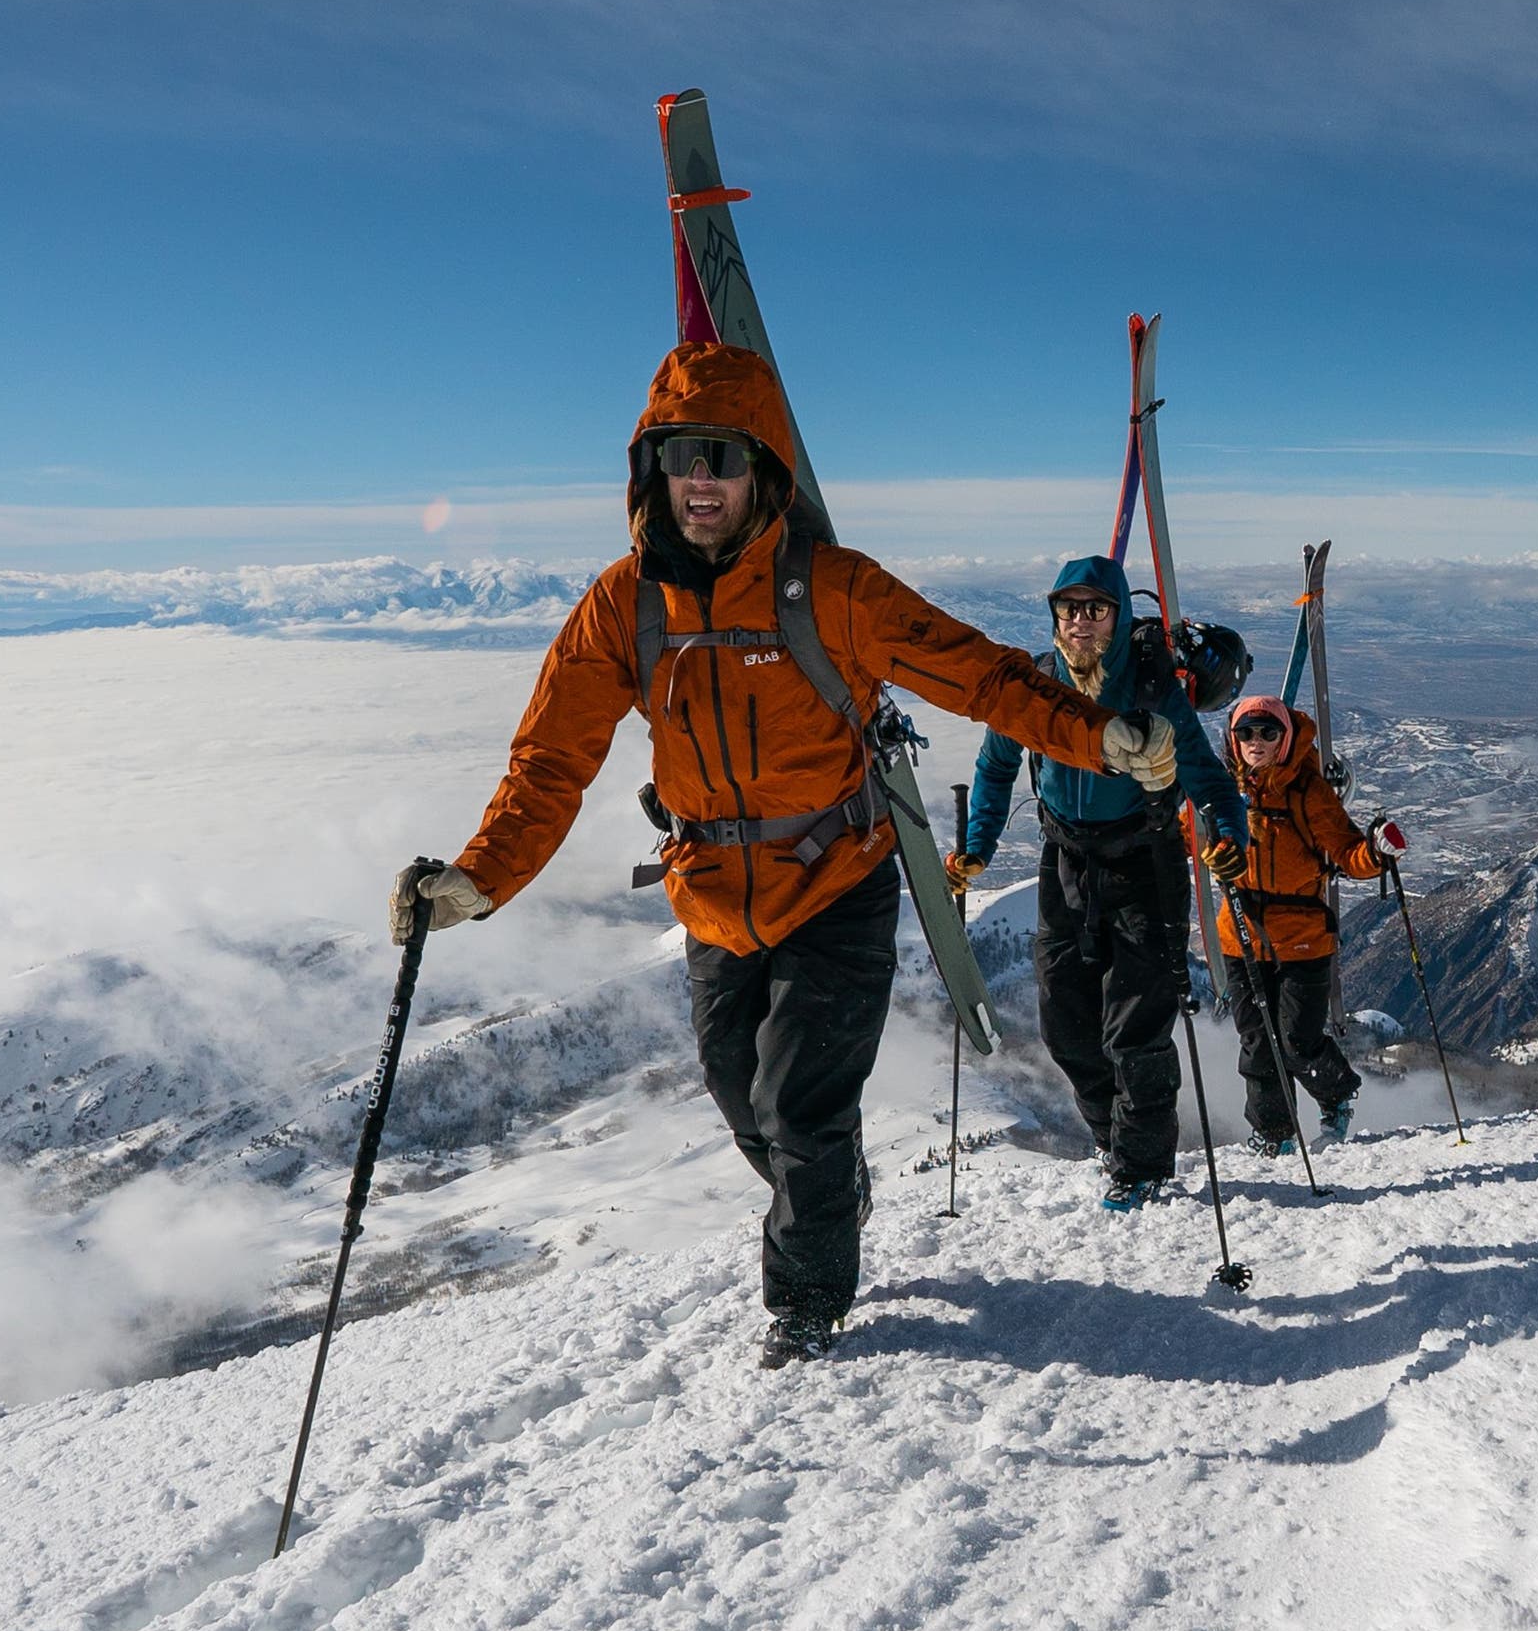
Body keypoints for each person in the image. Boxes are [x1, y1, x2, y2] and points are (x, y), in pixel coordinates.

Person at [394, 343, 1177, 1366]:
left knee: (799, 1103)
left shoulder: (833, 590)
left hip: (837, 880)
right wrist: (479, 879)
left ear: (764, 471)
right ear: (652, 474)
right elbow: (551, 761)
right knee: (743, 1101)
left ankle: (804, 1312)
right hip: (711, 897)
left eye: (723, 454)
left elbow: (978, 677)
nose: (703, 478)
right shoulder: (624, 606)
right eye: (682, 457)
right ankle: (836, 1193)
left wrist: (1099, 732)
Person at [952, 557, 1246, 1211]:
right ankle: (1114, 1142)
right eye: (1069, 608)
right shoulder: (1035, 684)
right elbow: (995, 768)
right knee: (1065, 1026)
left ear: (1119, 613)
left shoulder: (1150, 687)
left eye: (1095, 608)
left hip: (1147, 862)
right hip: (1065, 864)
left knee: (1135, 1030)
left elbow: (1209, 780)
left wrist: (1229, 836)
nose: (1080, 620)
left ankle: (1141, 1167)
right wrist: (977, 846)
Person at [1190, 693, 1395, 1152]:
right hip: (1239, 934)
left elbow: (1347, 852)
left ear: (1285, 738)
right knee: (1257, 1043)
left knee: (1298, 1041)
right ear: (1233, 739)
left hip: (1302, 937)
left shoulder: (1307, 791)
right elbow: (1194, 838)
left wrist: (1378, 853)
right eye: (1246, 732)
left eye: (1267, 732)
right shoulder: (1221, 789)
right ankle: (1273, 1134)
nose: (1256, 741)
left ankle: (1337, 1093)